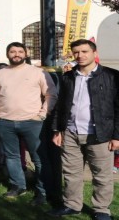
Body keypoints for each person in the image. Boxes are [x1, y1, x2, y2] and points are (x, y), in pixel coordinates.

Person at [49, 39, 119, 219]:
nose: (80, 55)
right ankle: (72, 205)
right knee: (71, 173)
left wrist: (116, 136)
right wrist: (57, 130)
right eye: (76, 52)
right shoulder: (68, 77)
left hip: (100, 134)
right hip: (70, 132)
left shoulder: (112, 76)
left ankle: (102, 209)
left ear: (94, 53)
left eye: (84, 51)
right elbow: (60, 106)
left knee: (102, 175)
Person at [0, 42, 56, 204]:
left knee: (39, 158)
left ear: (26, 53)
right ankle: (17, 186)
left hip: (33, 122)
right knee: (12, 156)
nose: (16, 54)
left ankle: (42, 192)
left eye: (19, 51)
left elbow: (51, 94)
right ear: (7, 54)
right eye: (12, 51)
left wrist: (43, 114)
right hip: (4, 122)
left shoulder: (38, 73)